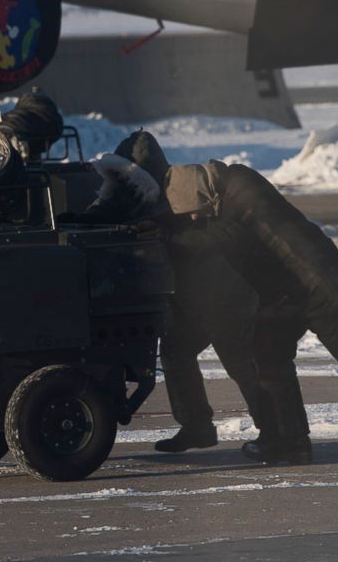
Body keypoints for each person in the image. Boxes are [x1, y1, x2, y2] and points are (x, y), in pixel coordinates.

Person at [163, 161, 338, 464]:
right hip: (284, 293)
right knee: (267, 358)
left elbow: (226, 236)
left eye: (194, 211)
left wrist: (170, 241)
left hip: (321, 284)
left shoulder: (243, 194)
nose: (196, 219)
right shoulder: (224, 191)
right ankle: (290, 442)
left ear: (203, 194)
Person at [78, 132, 311, 459]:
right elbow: (105, 209)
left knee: (244, 363)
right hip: (189, 296)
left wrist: (165, 234)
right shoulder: (135, 193)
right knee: (176, 350)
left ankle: (279, 434)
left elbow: (213, 239)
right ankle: (196, 426)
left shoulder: (180, 195)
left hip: (224, 291)